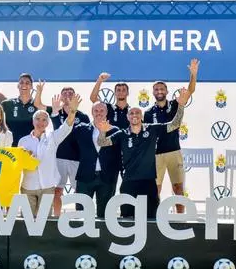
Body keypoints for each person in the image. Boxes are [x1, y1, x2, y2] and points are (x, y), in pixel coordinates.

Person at [97, 88, 191, 219]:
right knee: (127, 220)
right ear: (127, 117)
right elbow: (102, 143)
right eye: (131, 113)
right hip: (129, 182)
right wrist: (102, 131)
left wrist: (181, 105)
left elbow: (175, 124)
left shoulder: (152, 129)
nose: (134, 115)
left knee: (151, 219)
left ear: (141, 116)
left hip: (148, 183)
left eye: (137, 113)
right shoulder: (122, 133)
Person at [144, 59, 199, 213]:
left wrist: (193, 75)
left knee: (178, 188)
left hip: (174, 151)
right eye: (156, 89)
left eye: (162, 89)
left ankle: (180, 218)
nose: (159, 91)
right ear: (153, 92)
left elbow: (190, 91)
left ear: (167, 91)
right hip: (156, 155)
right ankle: (154, 217)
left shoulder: (176, 104)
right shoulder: (148, 113)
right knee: (156, 188)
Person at [34, 83, 90, 217]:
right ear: (61, 96)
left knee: (79, 192)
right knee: (57, 191)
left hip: (76, 159)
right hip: (58, 158)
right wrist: (40, 91)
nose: (67, 96)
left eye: (71, 93)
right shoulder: (54, 112)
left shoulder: (83, 116)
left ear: (75, 96)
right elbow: (38, 104)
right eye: (64, 93)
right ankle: (57, 217)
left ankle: (80, 217)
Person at [18, 94, 80, 217]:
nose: (41, 122)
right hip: (27, 186)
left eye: (44, 119)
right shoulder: (23, 141)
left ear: (48, 123)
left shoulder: (53, 137)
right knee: (26, 221)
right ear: (33, 121)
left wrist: (73, 111)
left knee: (44, 222)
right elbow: (19, 163)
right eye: (38, 119)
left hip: (47, 187)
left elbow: (67, 127)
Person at [72, 102, 121, 218]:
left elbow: (118, 154)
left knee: (105, 214)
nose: (99, 113)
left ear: (107, 112)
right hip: (85, 176)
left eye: (102, 111)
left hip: (107, 177)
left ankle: (104, 236)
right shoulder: (81, 129)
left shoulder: (115, 130)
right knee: (81, 213)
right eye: (96, 111)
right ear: (92, 112)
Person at [1, 73, 49, 146]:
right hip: (11, 147)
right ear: (18, 86)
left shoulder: (38, 106)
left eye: (27, 83)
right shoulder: (7, 104)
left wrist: (39, 92)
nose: (24, 85)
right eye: (21, 82)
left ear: (31, 86)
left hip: (31, 149)